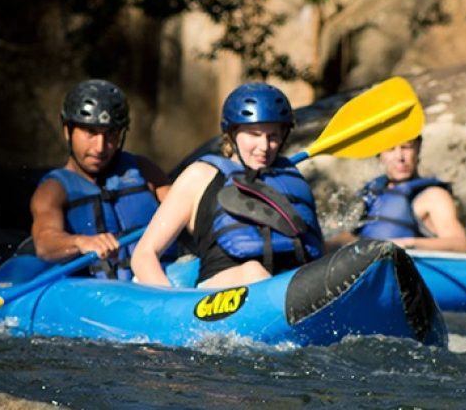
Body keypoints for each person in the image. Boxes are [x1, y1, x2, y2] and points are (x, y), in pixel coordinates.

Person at [131, 82, 324, 289]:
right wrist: (169, 305)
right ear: (231, 133)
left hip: (290, 289)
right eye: (254, 134)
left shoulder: (291, 177)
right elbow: (144, 255)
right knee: (253, 272)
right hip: (222, 296)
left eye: (273, 136)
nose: (264, 147)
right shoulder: (200, 175)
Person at [30, 79, 172, 279]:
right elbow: (45, 243)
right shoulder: (53, 188)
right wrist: (81, 242)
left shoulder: (143, 170)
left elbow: (186, 207)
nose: (100, 147)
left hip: (159, 279)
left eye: (111, 134)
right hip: (98, 295)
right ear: (67, 130)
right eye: (90, 133)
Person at [328, 136, 466, 253]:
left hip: (406, 270)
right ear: (380, 156)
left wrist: (404, 244)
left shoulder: (433, 196)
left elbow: (460, 244)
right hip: (365, 267)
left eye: (406, 147)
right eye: (390, 149)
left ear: (418, 148)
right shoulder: (371, 193)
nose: (400, 157)